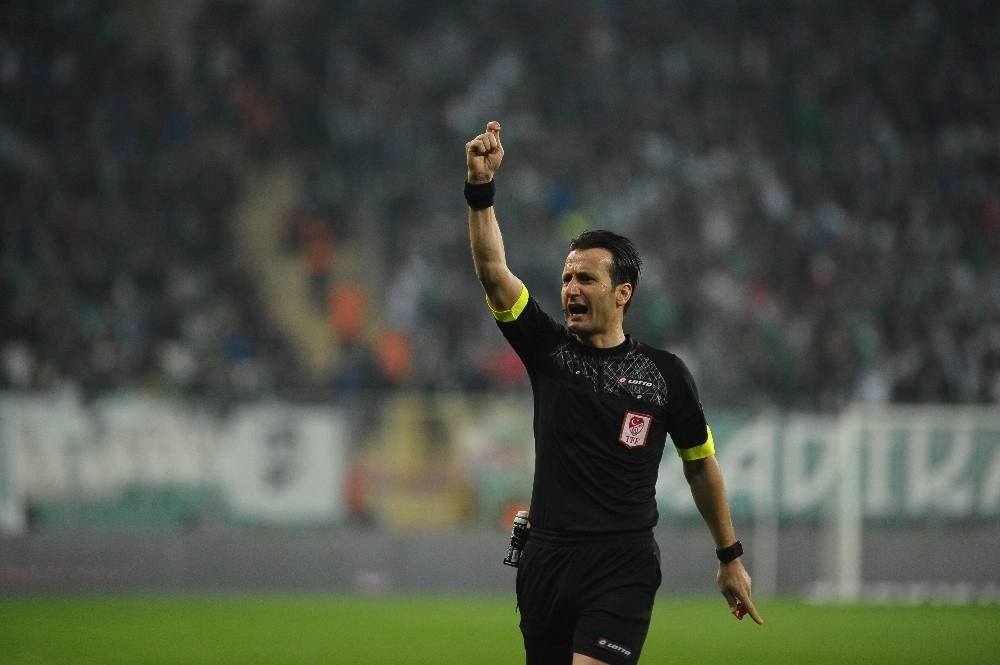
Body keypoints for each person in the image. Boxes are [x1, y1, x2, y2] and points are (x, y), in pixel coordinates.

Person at [464, 120, 763, 665]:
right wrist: (480, 188)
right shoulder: (547, 351)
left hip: (622, 564)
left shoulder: (665, 374)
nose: (570, 289)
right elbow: (492, 271)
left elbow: (701, 465)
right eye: (566, 278)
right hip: (546, 559)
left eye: (586, 279)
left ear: (622, 293)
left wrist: (729, 555)